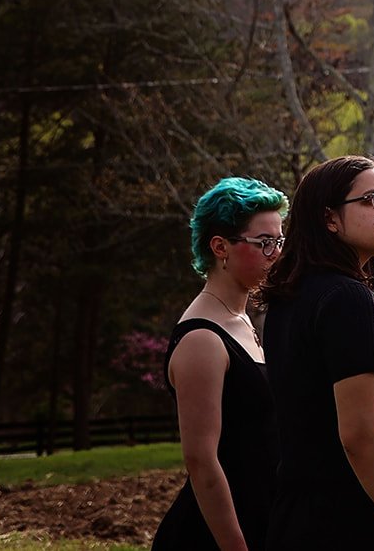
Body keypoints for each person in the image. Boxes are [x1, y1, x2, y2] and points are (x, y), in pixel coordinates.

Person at [259, 156, 374, 551]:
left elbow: (316, 406)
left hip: (297, 518)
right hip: (351, 521)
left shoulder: (291, 298)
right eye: (373, 200)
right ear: (329, 219)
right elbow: (360, 435)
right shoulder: (348, 298)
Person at [154, 177, 287, 551]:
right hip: (214, 538)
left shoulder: (244, 320)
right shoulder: (202, 339)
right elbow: (201, 462)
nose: (276, 253)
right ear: (220, 247)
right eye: (264, 243)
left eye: (279, 241)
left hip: (262, 522)